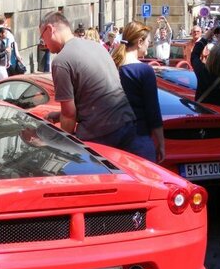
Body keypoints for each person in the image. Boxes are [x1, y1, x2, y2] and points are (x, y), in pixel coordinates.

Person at [39, 11, 140, 155]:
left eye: (43, 38)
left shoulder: (61, 61)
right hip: (127, 124)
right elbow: (96, 96)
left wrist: (59, 148)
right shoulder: (96, 46)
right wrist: (59, 115)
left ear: (49, 29)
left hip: (100, 133)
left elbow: (69, 114)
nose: (44, 44)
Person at [111, 21, 165, 163]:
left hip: (112, 138)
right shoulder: (144, 71)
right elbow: (153, 110)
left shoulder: (112, 65)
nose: (149, 44)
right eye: (148, 41)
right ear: (140, 42)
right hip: (138, 136)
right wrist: (160, 142)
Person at [190, 26, 220, 108]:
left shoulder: (202, 72)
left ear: (210, 57)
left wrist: (205, 38)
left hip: (204, 113)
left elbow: (194, 55)